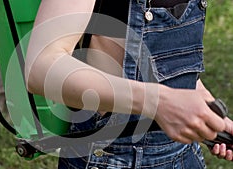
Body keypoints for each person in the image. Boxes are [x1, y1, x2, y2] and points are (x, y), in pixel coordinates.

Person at [25, 0, 233, 168]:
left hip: (185, 156)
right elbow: (41, 66)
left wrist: (210, 116)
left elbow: (170, 66)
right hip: (112, 158)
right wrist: (158, 101)